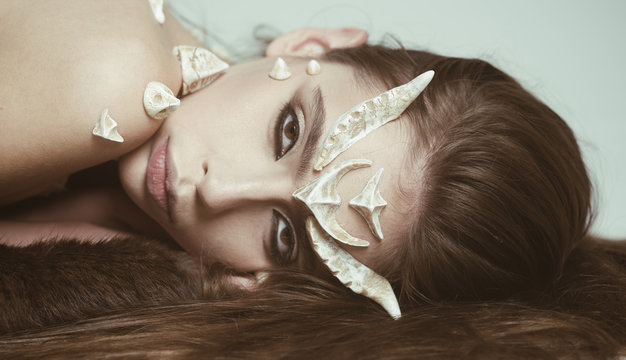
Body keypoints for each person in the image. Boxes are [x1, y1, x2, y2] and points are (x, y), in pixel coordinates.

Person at [0, 1, 624, 358]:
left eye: (284, 236)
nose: (217, 191)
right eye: (289, 132)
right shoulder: (110, 75)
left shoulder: (134, 254)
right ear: (312, 43)